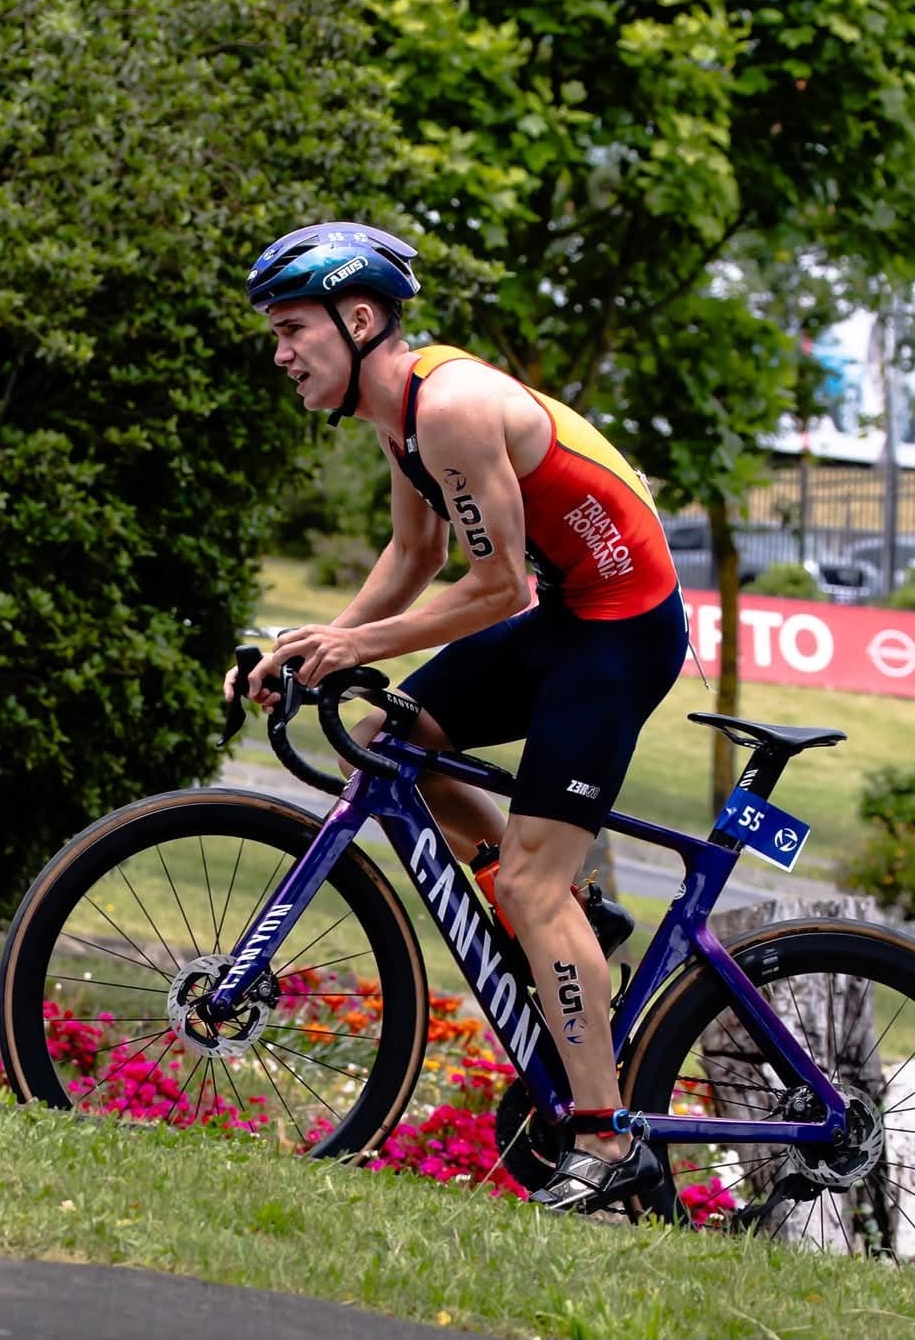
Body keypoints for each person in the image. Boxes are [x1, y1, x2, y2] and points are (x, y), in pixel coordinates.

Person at [226, 221, 688, 1214]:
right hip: (570, 617)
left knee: (532, 879)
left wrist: (353, 647)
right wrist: (312, 645)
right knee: (400, 738)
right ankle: (557, 921)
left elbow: (498, 592)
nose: (280, 353)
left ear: (358, 320)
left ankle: (608, 1142)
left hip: (617, 634)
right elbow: (411, 558)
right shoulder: (399, 416)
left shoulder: (452, 408)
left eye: (292, 328)